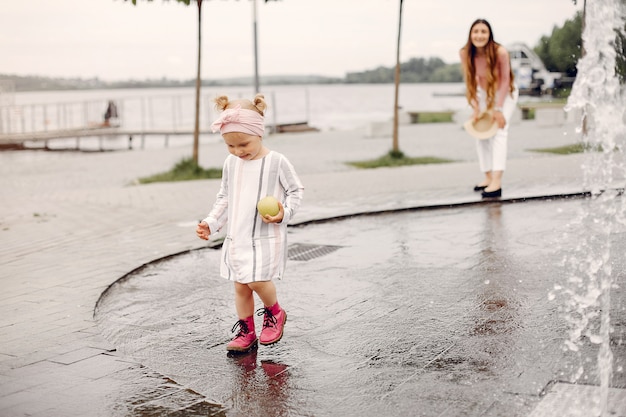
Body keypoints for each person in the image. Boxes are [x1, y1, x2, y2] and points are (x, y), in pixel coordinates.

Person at [196, 94, 304, 354]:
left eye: (243, 144)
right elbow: (225, 197)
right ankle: (247, 331)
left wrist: (283, 213)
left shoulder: (276, 161)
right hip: (237, 236)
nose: (237, 151)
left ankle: (275, 313)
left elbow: (296, 191)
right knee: (241, 286)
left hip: (265, 235)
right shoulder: (231, 163)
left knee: (257, 281)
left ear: (259, 133)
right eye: (230, 146)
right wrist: (211, 223)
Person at [460, 19, 519, 198]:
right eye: (476, 31)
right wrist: (476, 108)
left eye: (483, 32)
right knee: (481, 133)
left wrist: (498, 109)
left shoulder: (500, 52)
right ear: (471, 34)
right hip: (485, 93)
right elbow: (471, 79)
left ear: (489, 34)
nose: (479, 35)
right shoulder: (465, 53)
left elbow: (505, 80)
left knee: (499, 130)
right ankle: (487, 176)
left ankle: (497, 181)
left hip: (505, 93)